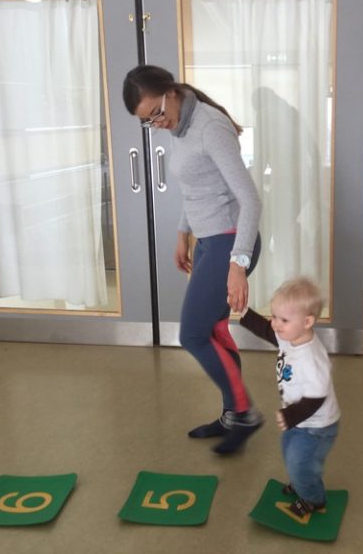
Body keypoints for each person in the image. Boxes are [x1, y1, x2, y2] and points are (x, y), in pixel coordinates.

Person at [123, 65, 263, 455]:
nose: (157, 123)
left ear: (170, 92)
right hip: (209, 241)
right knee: (213, 330)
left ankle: (244, 413)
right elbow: (196, 186)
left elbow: (250, 201)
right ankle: (232, 413)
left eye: (156, 113)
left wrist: (237, 264)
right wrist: (182, 234)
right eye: (147, 121)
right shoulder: (179, 125)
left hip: (230, 242)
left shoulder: (210, 128)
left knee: (193, 335)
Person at [239, 277, 340, 519]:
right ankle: (301, 481)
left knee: (300, 462)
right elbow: (266, 330)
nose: (275, 324)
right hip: (298, 421)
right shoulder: (291, 336)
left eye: (283, 320)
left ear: (307, 322)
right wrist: (243, 313)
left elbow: (317, 397)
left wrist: (291, 415)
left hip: (317, 427)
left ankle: (313, 498)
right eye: (275, 316)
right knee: (288, 451)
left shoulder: (311, 360)